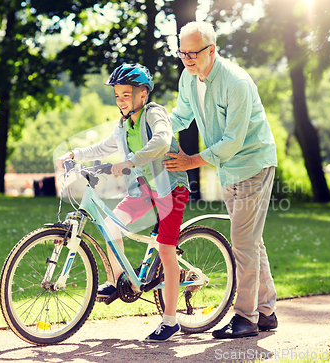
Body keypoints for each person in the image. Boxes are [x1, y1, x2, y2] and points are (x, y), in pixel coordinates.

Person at [57, 63, 190, 342]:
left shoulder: (154, 114)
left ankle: (171, 320)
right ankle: (121, 281)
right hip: (143, 191)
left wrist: (130, 161)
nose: (120, 101)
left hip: (170, 189)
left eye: (125, 95)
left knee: (166, 250)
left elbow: (162, 140)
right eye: (117, 96)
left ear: (143, 94)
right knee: (110, 225)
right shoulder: (123, 124)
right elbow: (104, 147)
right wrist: (75, 153)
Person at [163, 21, 279, 339]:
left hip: (253, 165)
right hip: (228, 169)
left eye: (193, 52)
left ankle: (246, 318)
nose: (186, 58)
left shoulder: (236, 82)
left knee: (243, 242)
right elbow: (182, 115)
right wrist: (153, 126)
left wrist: (191, 161)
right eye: (182, 52)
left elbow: (232, 141)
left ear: (211, 50)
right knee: (251, 241)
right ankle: (266, 311)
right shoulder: (189, 78)